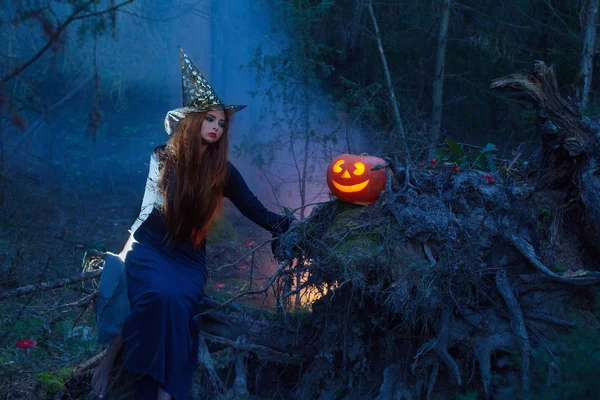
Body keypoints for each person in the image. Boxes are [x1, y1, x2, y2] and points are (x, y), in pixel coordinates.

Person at [91, 47, 299, 400]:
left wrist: (293, 227)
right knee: (156, 295)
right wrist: (125, 251)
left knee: (176, 300)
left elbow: (257, 211)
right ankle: (130, 376)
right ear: (192, 121)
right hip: (151, 248)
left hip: (188, 258)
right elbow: (146, 211)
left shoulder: (223, 172)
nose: (217, 127)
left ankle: (164, 389)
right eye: (209, 119)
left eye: (221, 122)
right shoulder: (163, 158)